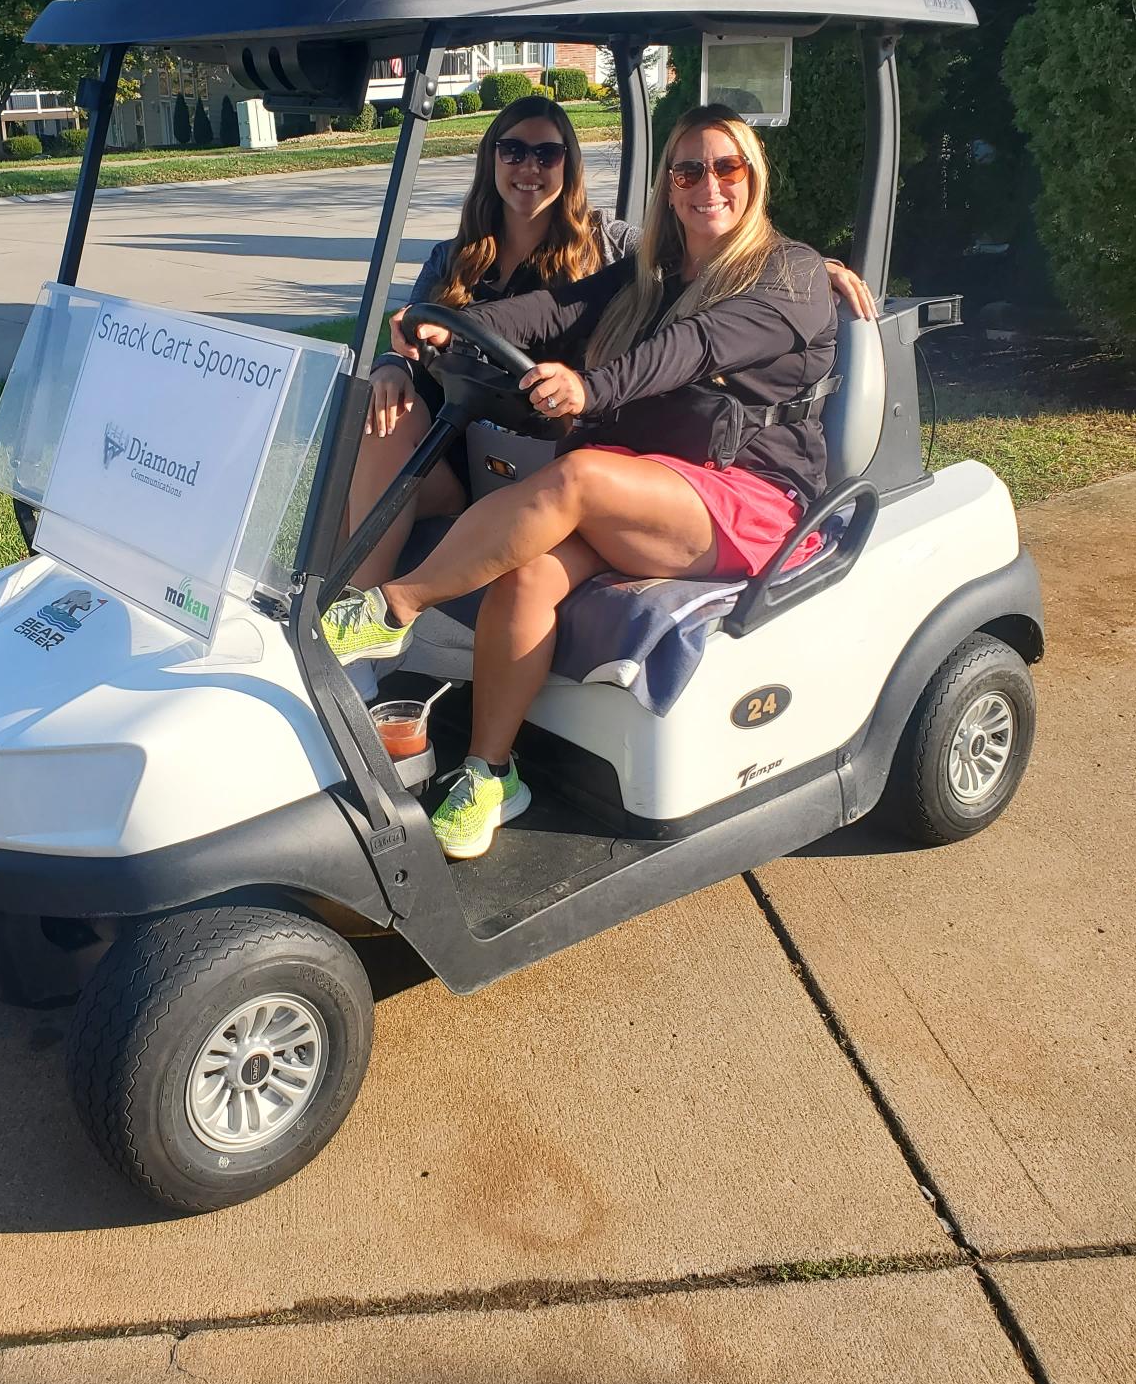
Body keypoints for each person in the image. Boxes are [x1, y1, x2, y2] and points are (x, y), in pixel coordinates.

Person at [326, 103, 867, 860]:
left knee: (577, 475)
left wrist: (591, 389)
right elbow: (555, 308)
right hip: (650, 485)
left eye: (726, 167)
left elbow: (696, 345)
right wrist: (451, 322)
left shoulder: (792, 273)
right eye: (688, 171)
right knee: (526, 574)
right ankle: (490, 773)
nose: (708, 185)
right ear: (669, 186)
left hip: (750, 495)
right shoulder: (654, 272)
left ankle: (392, 607)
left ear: (754, 177)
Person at [344, 94, 639, 592]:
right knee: (382, 422)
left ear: (568, 163)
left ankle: (347, 616)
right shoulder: (454, 258)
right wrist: (390, 366)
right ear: (492, 159)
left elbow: (681, 255)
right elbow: (407, 343)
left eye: (547, 154)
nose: (530, 167)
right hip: (460, 457)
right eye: (513, 151)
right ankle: (337, 610)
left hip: (548, 462)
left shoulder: (606, 247)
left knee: (358, 491)